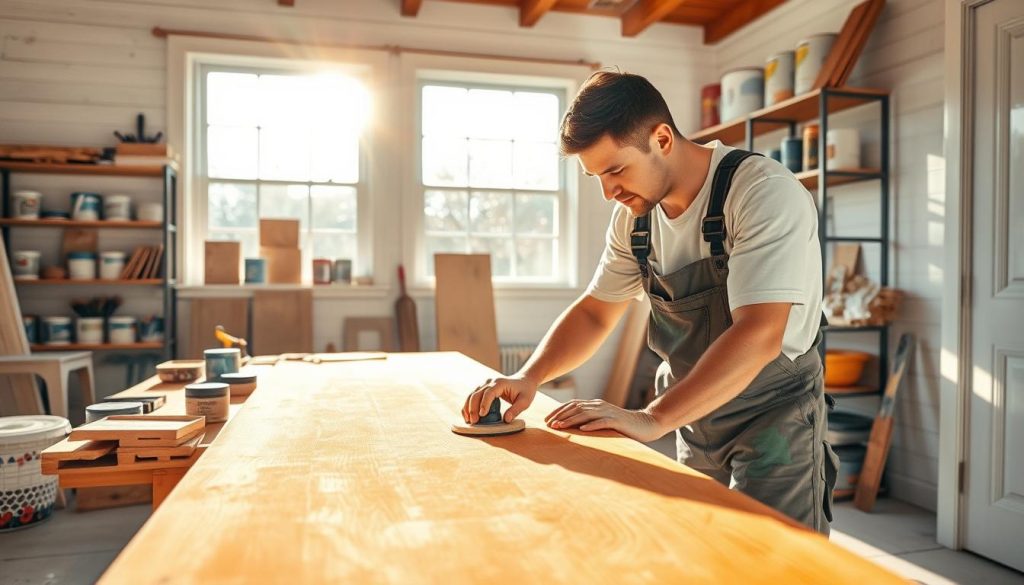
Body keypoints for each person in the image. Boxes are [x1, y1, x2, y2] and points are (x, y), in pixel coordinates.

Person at [461, 71, 839, 534]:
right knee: (702, 548)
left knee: (780, 558)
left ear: (661, 138)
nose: (609, 192)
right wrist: (530, 376)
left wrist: (652, 417)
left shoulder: (761, 191)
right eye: (596, 177)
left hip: (774, 415)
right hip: (694, 414)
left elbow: (759, 333)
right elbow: (596, 311)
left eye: (616, 170)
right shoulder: (635, 221)